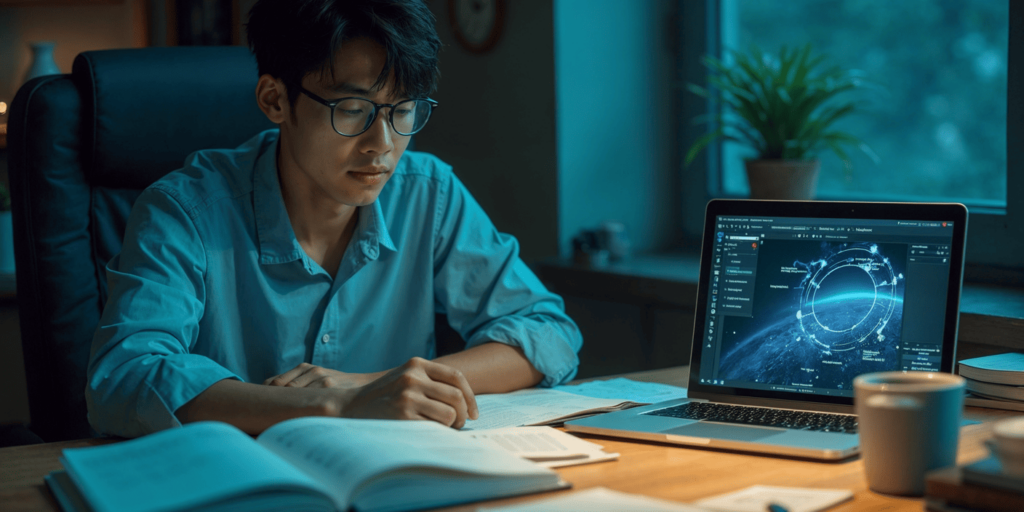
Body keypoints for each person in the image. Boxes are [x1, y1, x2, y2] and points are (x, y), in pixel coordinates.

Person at [86, 0, 582, 438]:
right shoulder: (185, 210)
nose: (383, 146)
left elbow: (546, 332)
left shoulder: (427, 192)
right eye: (352, 109)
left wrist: (377, 386)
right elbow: (124, 378)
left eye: (403, 110)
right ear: (274, 100)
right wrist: (339, 405)